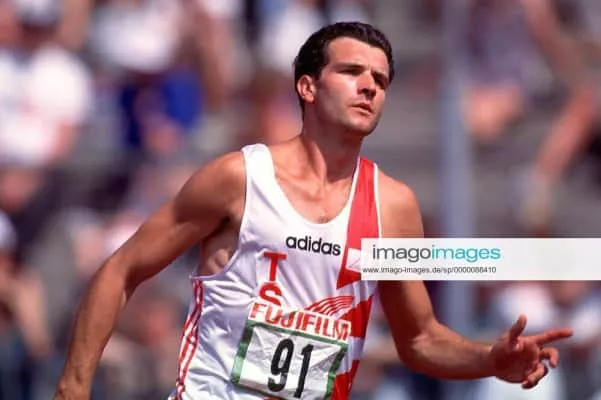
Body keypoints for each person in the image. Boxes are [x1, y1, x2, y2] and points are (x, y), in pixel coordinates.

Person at [53, 22, 573, 400]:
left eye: (381, 80)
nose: (369, 86)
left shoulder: (392, 206)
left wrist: (490, 359)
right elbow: (121, 269)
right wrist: (73, 388)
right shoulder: (239, 179)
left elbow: (418, 338)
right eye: (351, 71)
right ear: (307, 86)